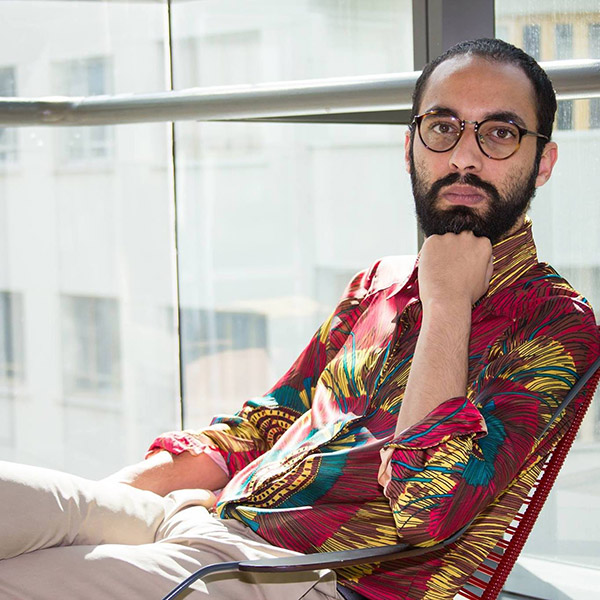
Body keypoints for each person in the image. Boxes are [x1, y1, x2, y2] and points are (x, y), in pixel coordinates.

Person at [1, 38, 599, 600]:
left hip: (298, 576)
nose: (464, 157)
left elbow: (427, 508)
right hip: (208, 515)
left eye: (499, 133)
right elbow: (270, 421)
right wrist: (99, 507)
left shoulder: (554, 325)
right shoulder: (380, 283)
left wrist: (447, 305)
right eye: (443, 128)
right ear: (411, 145)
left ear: (542, 162)